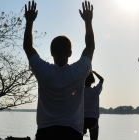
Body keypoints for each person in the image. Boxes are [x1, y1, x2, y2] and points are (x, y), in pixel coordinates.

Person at [23, 0, 94, 139]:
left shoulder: (43, 71)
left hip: (46, 132)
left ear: (51, 52)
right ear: (70, 53)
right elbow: (90, 46)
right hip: (72, 133)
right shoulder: (78, 72)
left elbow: (28, 47)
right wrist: (88, 21)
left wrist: (30, 21)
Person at [83, 71, 104, 140]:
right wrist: (94, 72)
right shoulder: (95, 91)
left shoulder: (81, 91)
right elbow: (101, 79)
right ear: (92, 80)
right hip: (93, 119)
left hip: (83, 119)